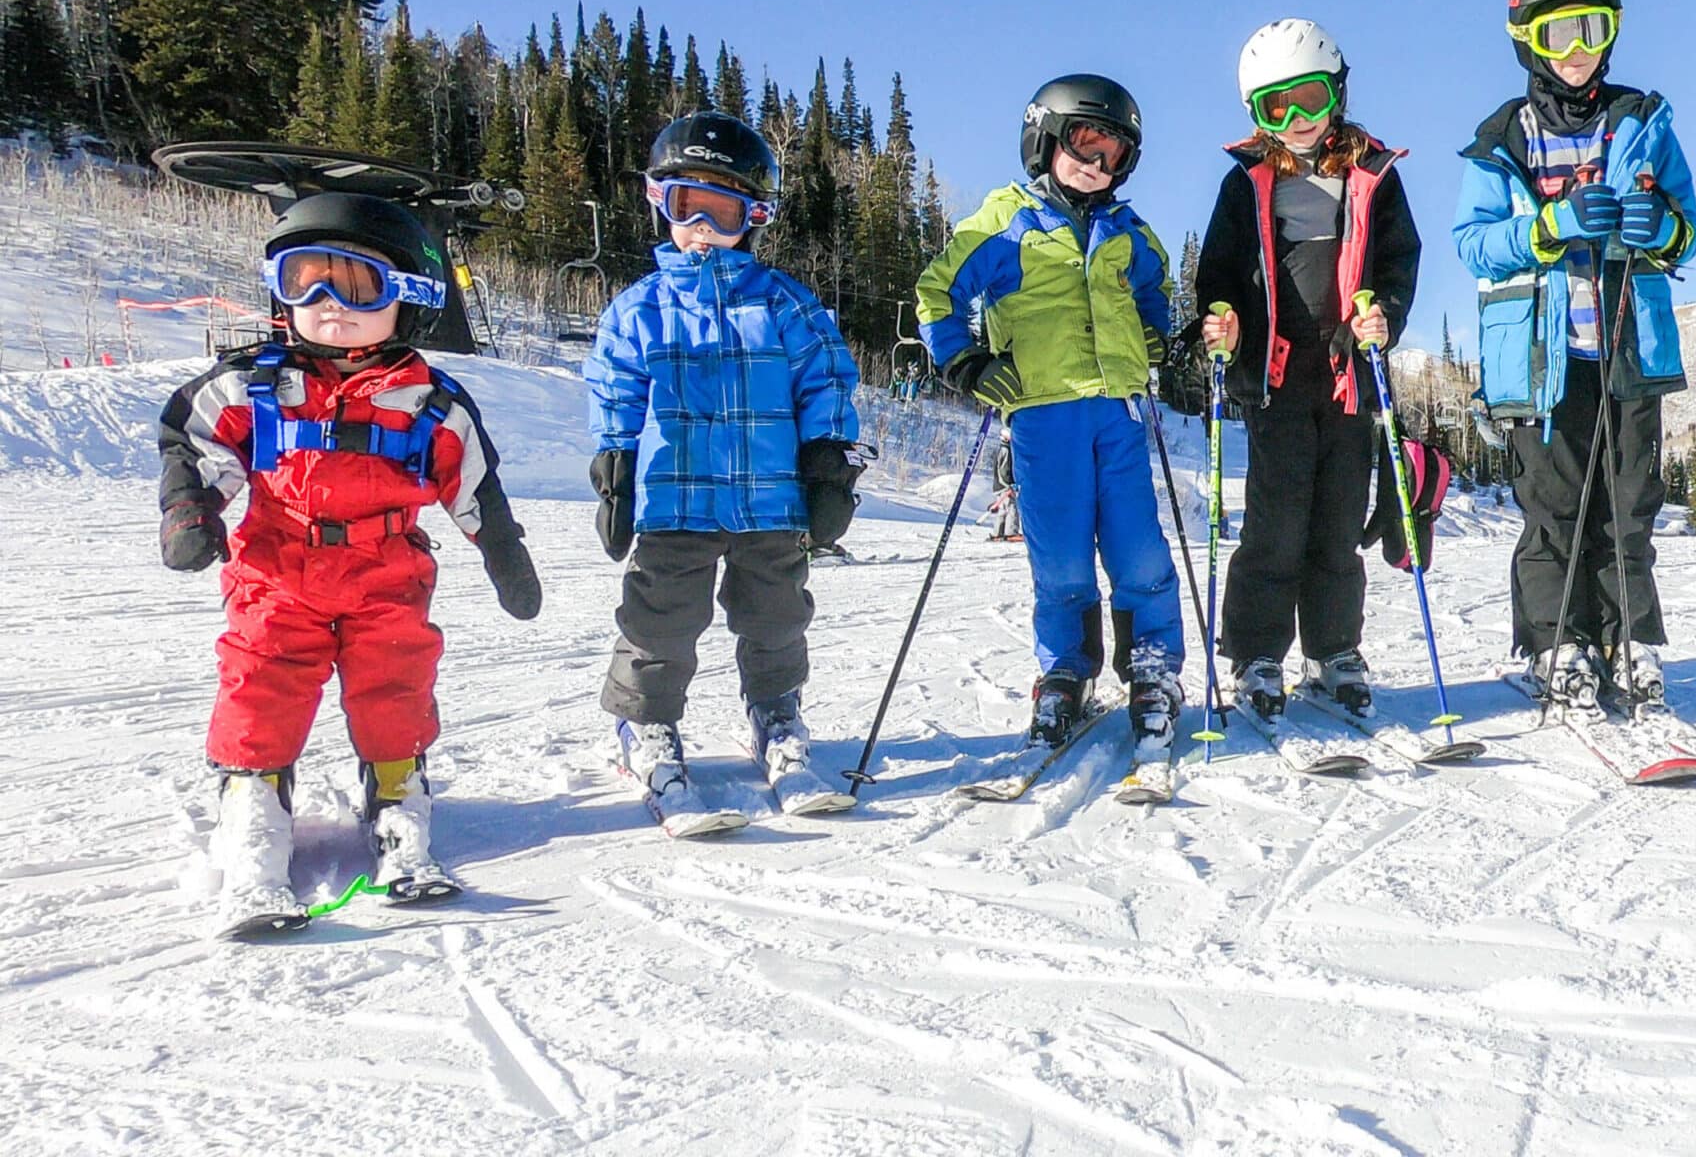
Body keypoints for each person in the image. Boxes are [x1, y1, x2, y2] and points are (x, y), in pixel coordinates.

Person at [158, 193, 542, 931]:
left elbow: (473, 486)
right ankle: (254, 824)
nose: (326, 303)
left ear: (412, 296)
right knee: (260, 689)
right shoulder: (256, 384)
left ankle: (399, 803)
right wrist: (191, 510)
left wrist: (504, 556)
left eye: (355, 285)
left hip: (386, 571)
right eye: (302, 280)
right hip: (276, 568)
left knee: (394, 687)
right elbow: (191, 439)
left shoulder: (428, 403)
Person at [585, 111, 863, 807]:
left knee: (776, 618)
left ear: (754, 216)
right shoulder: (638, 308)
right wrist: (615, 468)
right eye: (688, 206)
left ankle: (775, 715)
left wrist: (828, 464)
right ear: (660, 204)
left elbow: (827, 381)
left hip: (771, 501)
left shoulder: (786, 305)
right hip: (674, 501)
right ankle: (643, 725)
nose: (703, 227)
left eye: (722, 209)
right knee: (660, 622)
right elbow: (614, 389)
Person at [1451, 0, 1696, 708]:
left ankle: (1631, 640)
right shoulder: (1503, 142)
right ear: (1528, 40)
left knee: (1630, 506)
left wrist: (1657, 224)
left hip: (1627, 348)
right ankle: (1558, 642)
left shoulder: (1642, 124)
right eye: (1560, 34)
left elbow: (1687, 233)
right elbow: (1473, 242)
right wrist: (1547, 227)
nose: (1579, 51)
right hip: (1540, 359)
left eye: (1593, 29)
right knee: (1556, 508)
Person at [915, 75, 1184, 754]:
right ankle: (1066, 668)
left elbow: (1155, 291)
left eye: (1112, 155)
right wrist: (966, 362)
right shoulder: (1006, 220)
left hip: (1118, 413)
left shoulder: (1130, 231)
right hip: (1041, 414)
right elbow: (938, 289)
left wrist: (1155, 340)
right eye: (1083, 146)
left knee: (1139, 548)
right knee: (1061, 556)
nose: (1096, 166)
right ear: (1044, 139)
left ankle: (1152, 665)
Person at [1193, 20, 1422, 719]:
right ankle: (1258, 654)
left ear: (1338, 92)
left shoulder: (1373, 175)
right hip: (1279, 378)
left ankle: (1332, 650)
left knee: (1337, 524)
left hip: (1348, 375)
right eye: (1275, 108)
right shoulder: (1248, 183)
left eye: (1309, 98)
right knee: (1276, 523)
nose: (1296, 120)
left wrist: (1382, 314)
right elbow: (1220, 270)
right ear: (1256, 117)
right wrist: (1221, 318)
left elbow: (1397, 261)